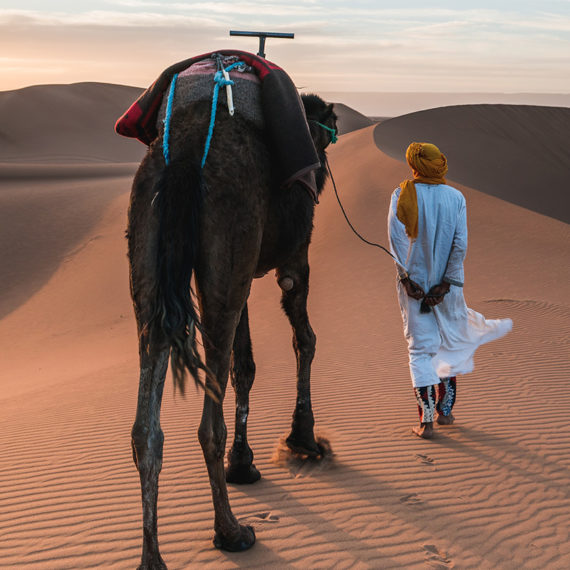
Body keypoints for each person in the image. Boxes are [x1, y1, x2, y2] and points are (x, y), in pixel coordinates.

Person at [388, 142, 512, 439]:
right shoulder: (456, 197)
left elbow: (395, 239)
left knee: (420, 351)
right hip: (448, 288)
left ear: (414, 164)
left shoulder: (401, 194)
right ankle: (446, 413)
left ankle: (426, 422)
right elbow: (460, 244)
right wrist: (446, 285)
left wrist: (406, 278)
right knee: (448, 345)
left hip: (413, 288)